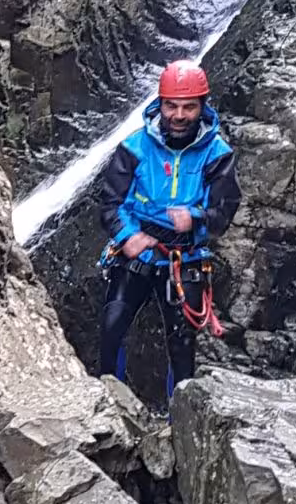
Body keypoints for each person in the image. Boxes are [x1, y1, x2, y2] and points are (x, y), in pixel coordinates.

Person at [94, 60, 241, 396]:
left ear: (202, 106)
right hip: (139, 250)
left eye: (189, 107)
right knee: (111, 327)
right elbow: (109, 202)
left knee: (182, 347)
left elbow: (225, 209)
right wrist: (127, 236)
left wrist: (196, 219)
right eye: (171, 105)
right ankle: (109, 409)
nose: (178, 115)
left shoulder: (218, 153)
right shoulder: (134, 147)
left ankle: (178, 425)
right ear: (160, 104)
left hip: (185, 256)